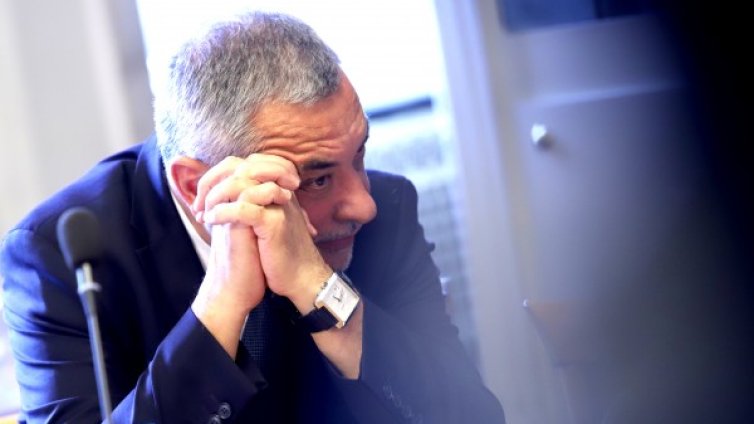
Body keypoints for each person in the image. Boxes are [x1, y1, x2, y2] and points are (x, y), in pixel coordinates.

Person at [0, 11, 504, 423]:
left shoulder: (386, 212)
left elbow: (471, 416)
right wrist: (220, 305)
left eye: (359, 155)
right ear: (195, 186)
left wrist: (320, 289)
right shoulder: (61, 258)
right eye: (316, 180)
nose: (362, 204)